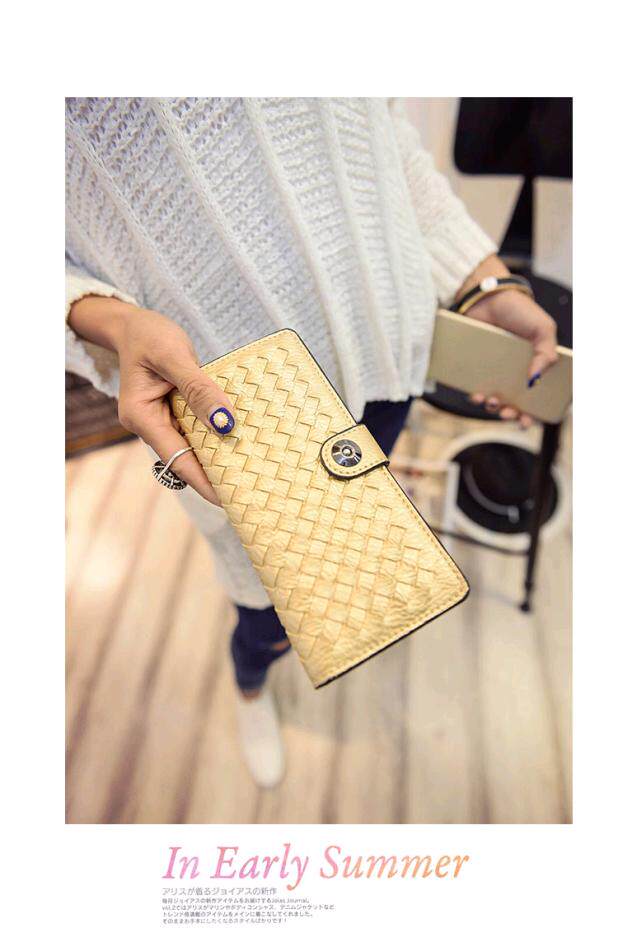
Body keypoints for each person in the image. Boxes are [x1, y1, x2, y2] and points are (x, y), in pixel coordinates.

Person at [66, 97, 558, 787]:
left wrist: (482, 279)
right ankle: (250, 684)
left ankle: (317, 626)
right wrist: (111, 321)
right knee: (266, 606)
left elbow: (382, 140)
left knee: (358, 543)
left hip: (387, 352)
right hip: (242, 403)